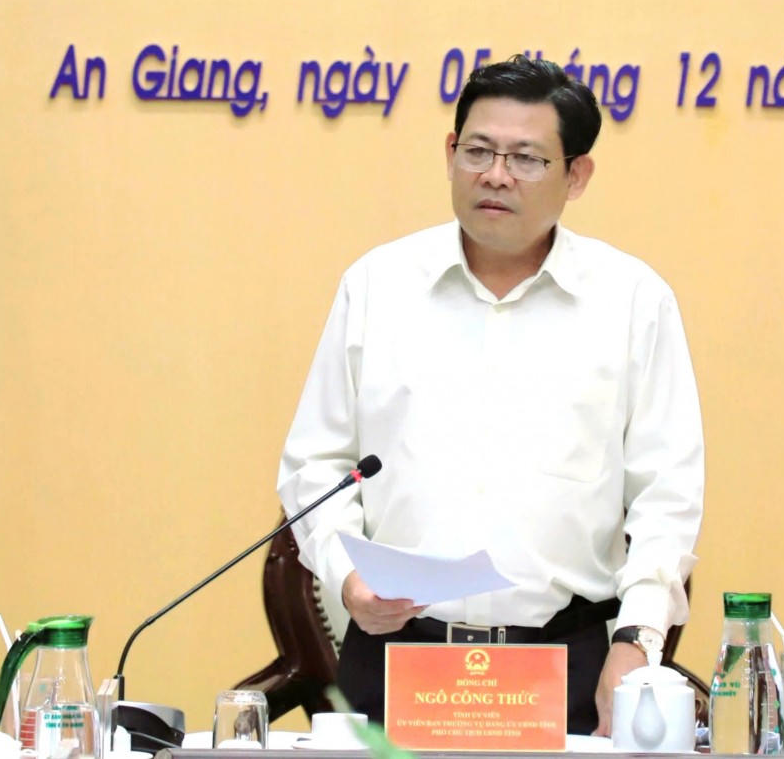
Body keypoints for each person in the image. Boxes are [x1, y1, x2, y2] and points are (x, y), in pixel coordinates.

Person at [277, 55, 704, 735]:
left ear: (577, 175)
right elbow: (316, 465)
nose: (496, 174)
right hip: (396, 660)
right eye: (478, 151)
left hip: (566, 664)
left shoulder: (632, 301)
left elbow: (667, 493)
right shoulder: (378, 287)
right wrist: (346, 575)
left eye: (527, 158)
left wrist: (637, 640)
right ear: (450, 153)